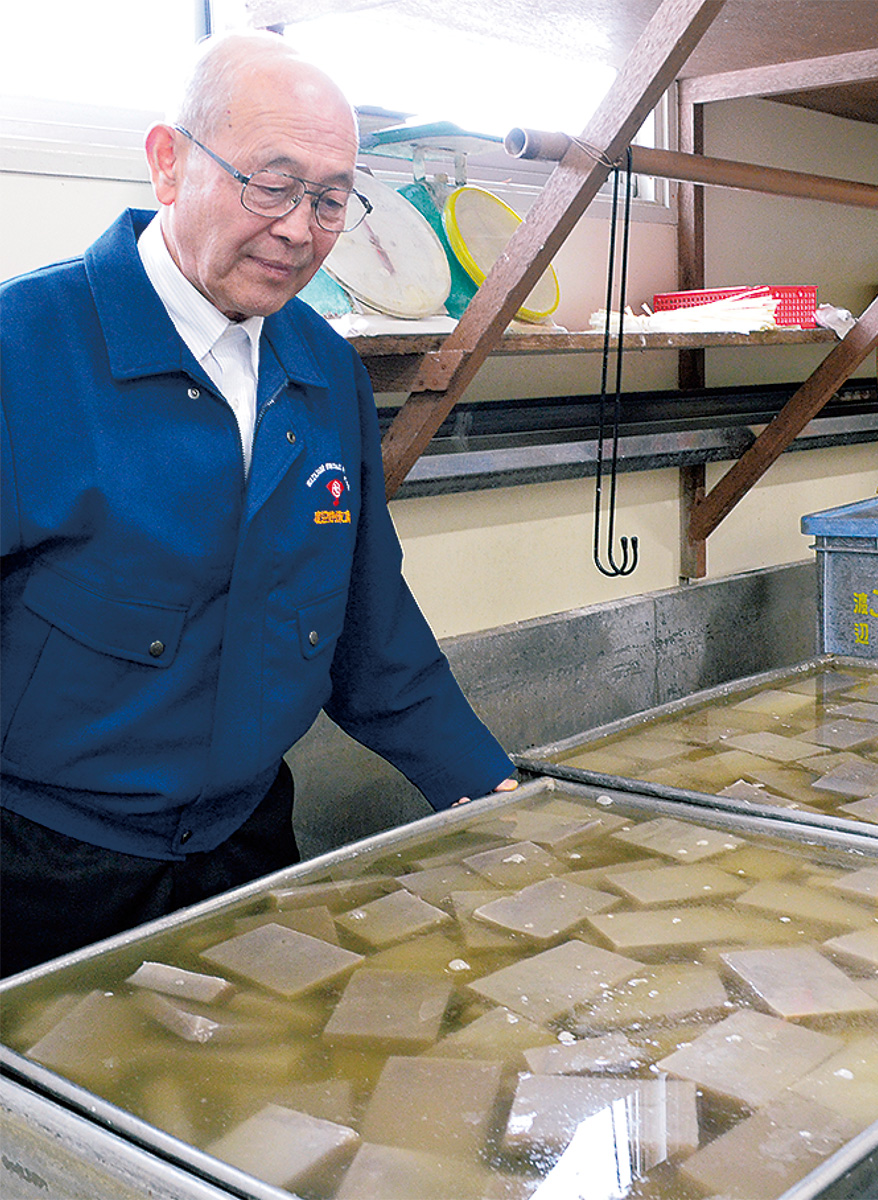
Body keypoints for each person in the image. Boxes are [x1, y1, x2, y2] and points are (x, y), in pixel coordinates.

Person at [0, 32, 516, 979]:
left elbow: (370, 631)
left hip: (245, 851)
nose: (299, 229)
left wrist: (495, 797)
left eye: (329, 199)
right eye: (271, 184)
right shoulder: (22, 347)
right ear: (168, 162)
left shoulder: (322, 368)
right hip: (40, 868)